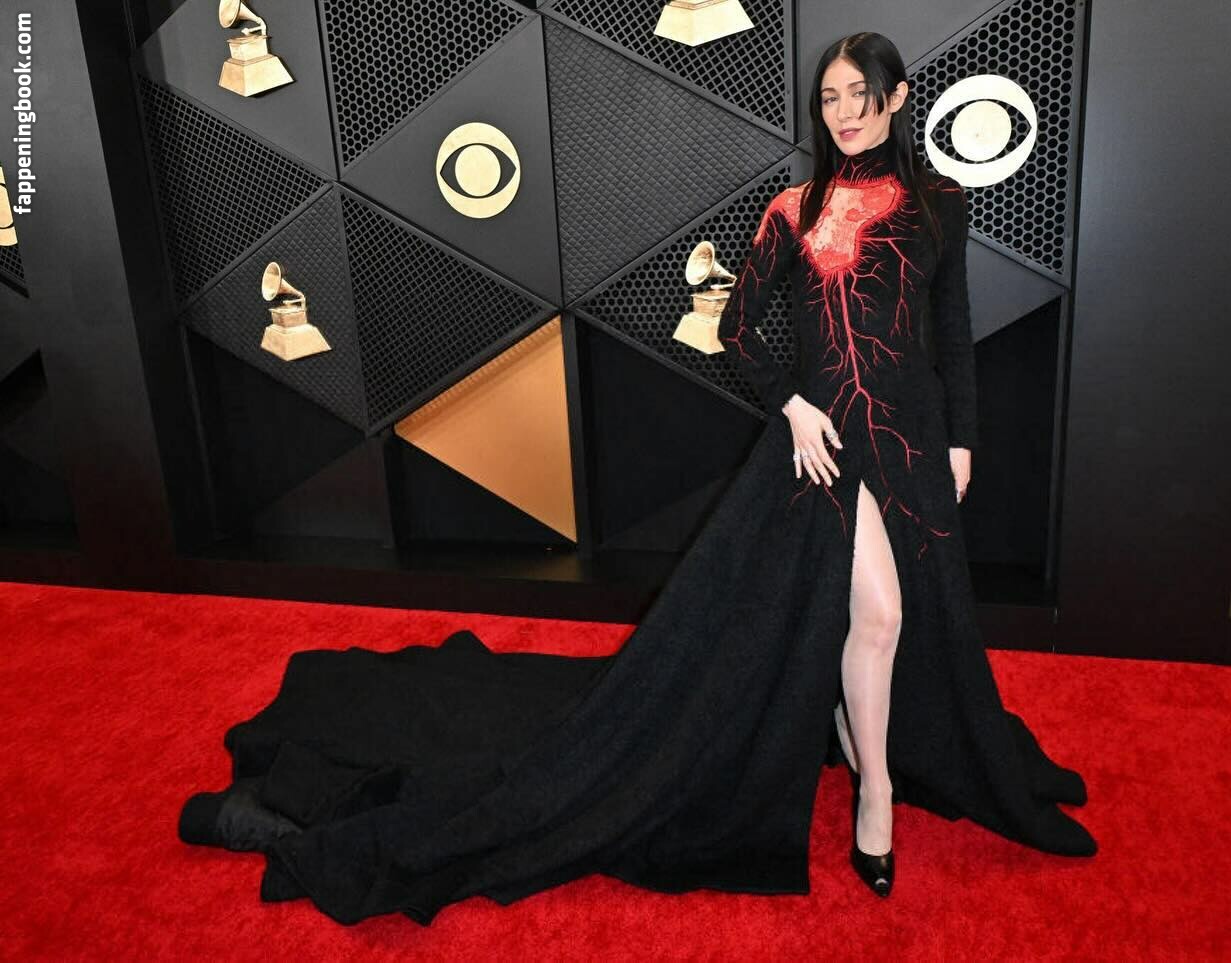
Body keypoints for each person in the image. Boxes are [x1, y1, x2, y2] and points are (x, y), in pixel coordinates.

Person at [177, 31, 1096, 926]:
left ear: (897, 99)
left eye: (862, 94)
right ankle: (877, 794)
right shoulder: (793, 209)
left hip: (913, 440)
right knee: (883, 614)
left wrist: (963, 442)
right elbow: (738, 327)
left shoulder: (940, 204)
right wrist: (792, 405)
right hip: (824, 443)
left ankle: (861, 735)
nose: (845, 112)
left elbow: (952, 333)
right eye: (830, 97)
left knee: (893, 616)